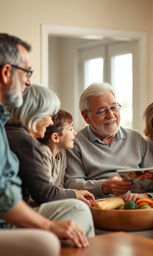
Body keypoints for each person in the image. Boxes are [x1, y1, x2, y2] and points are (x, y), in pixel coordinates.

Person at [0, 33, 89, 256]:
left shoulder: (5, 127)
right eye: (26, 72)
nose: (28, 81)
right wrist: (48, 226)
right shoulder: (21, 139)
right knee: (55, 233)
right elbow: (10, 196)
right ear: (6, 72)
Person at [65, 82, 153, 200]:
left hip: (137, 203)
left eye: (114, 107)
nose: (111, 115)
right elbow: (72, 183)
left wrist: (145, 195)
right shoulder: (75, 142)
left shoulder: (136, 138)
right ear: (86, 117)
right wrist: (103, 186)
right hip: (99, 205)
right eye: (102, 111)